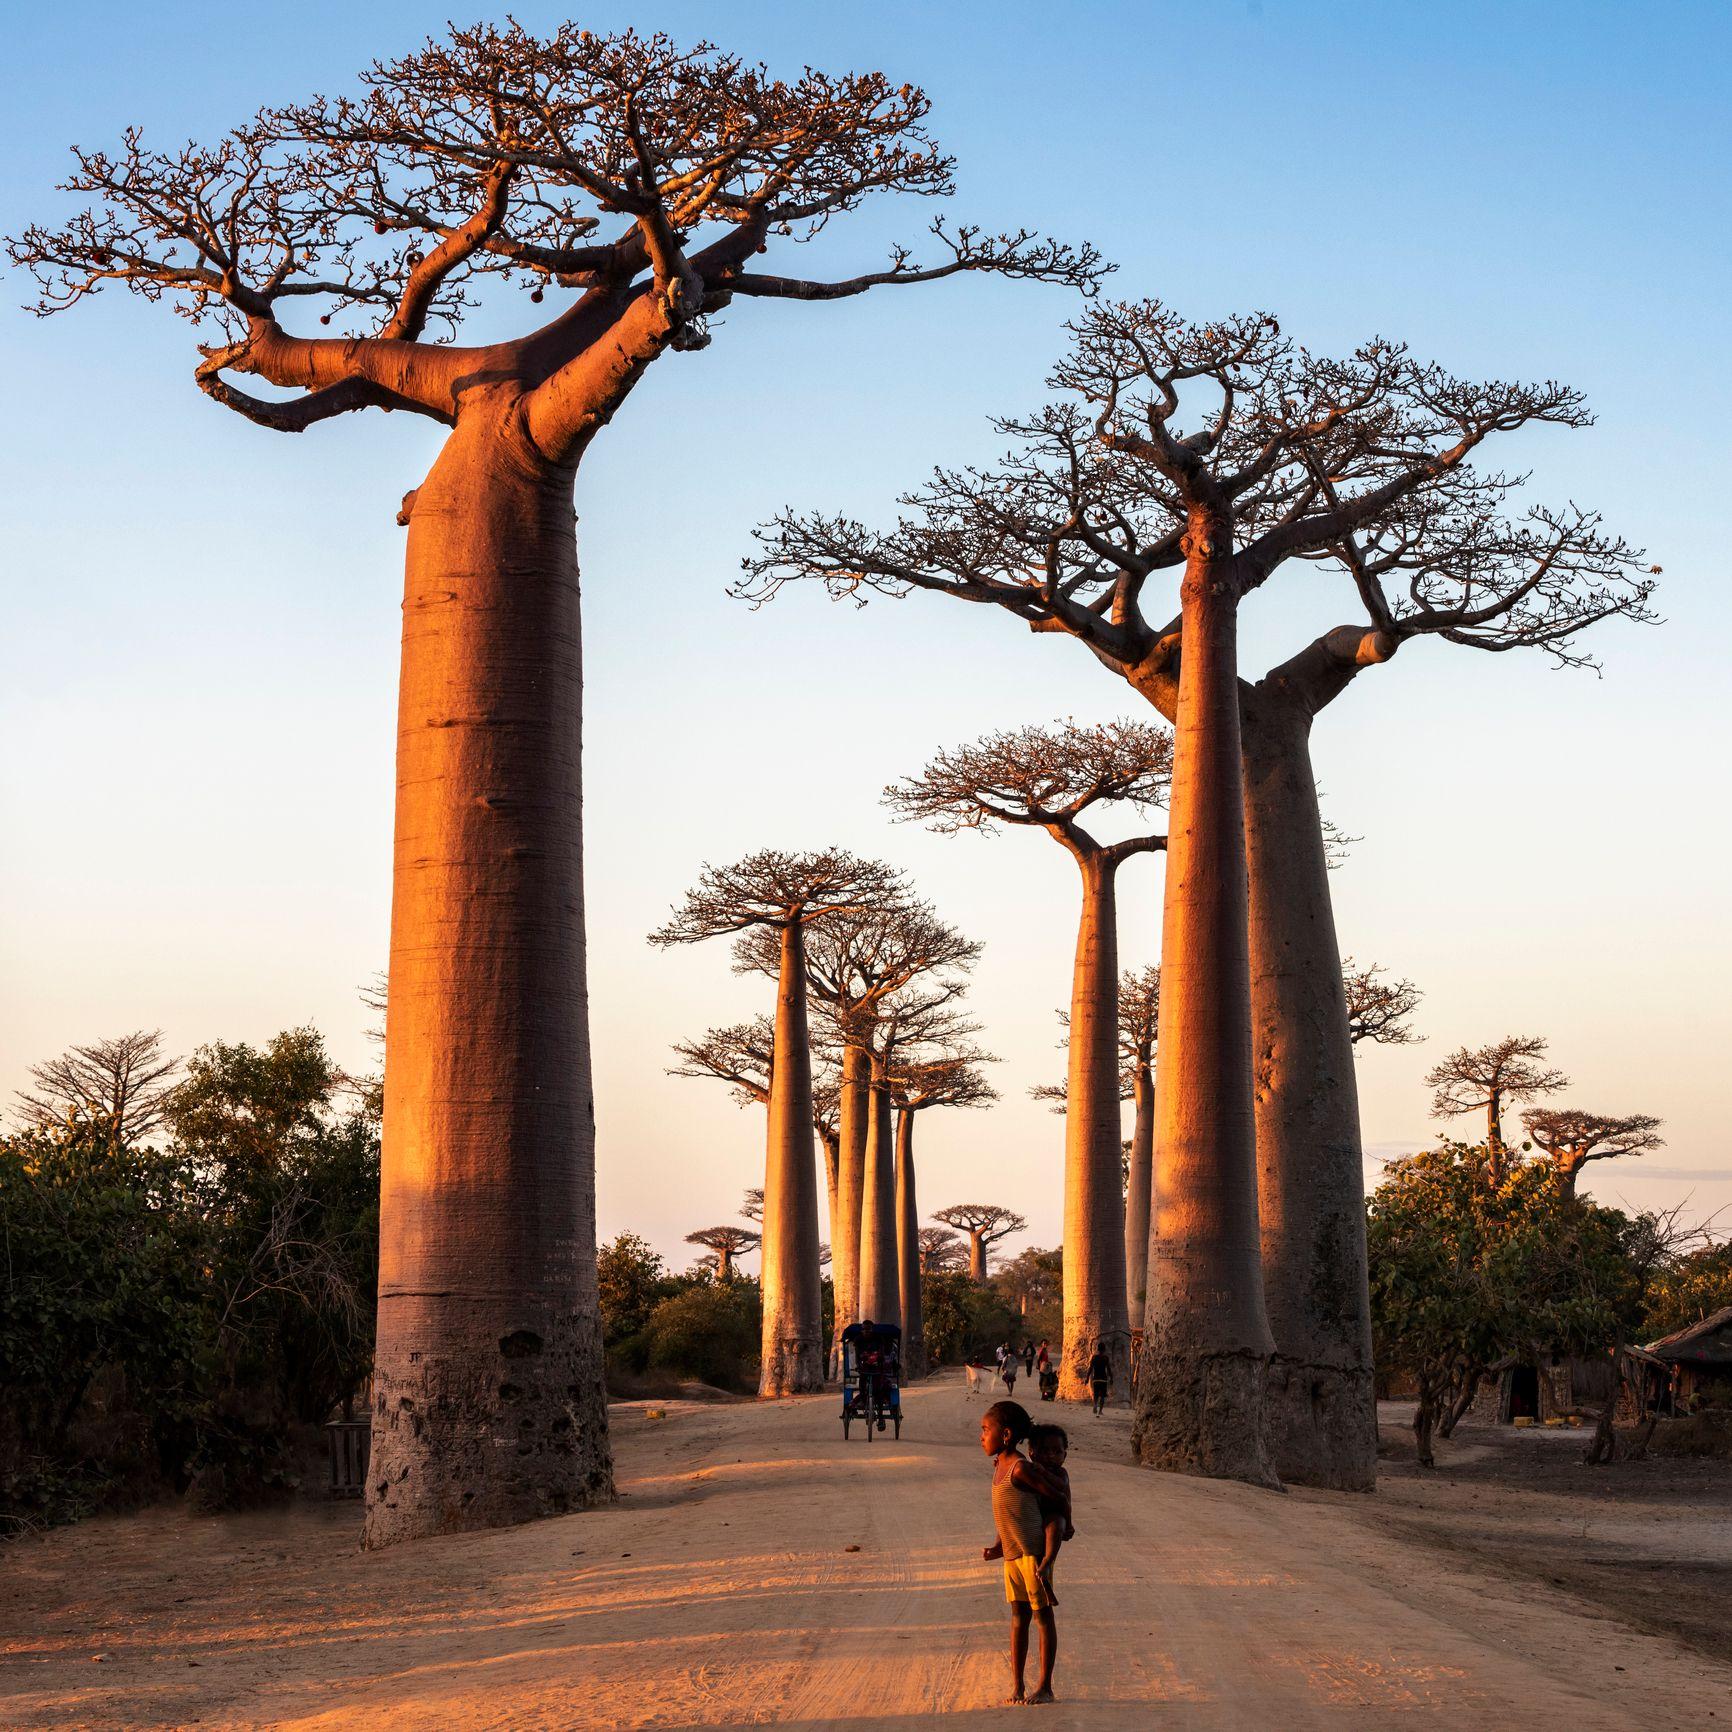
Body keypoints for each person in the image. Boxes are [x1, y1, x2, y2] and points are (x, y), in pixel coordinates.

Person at [979, 1400, 1067, 1705]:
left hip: (1033, 1556)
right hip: (1013, 1557)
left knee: (1043, 1617)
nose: (981, 1436)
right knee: (1018, 1617)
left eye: (985, 1430)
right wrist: (998, 1546)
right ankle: (1017, 1685)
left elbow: (1055, 1495)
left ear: (1005, 1435)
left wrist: (1066, 1517)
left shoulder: (1020, 1468)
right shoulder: (1000, 1466)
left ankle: (1045, 1686)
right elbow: (1008, 1513)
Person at [1027, 1423, 1075, 1601]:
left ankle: (1048, 1561)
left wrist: (1069, 1524)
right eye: (1045, 1451)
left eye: (1057, 1452)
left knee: (1055, 1527)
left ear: (1065, 1455)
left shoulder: (1061, 1472)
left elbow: (1061, 1487)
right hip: (1035, 1514)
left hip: (1056, 1512)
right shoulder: (1030, 1469)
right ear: (1032, 1452)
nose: (1051, 1456)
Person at [1087, 1340, 1113, 1415]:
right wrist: (1111, 1378)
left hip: (1096, 1379)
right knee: (1102, 1396)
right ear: (1104, 1350)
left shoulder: (1094, 1358)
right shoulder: (1105, 1358)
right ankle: (1100, 1411)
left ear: (1098, 1349)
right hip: (1103, 1379)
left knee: (1096, 1394)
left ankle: (1095, 1405)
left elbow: (1090, 1368)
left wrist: (1087, 1378)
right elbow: (1108, 1369)